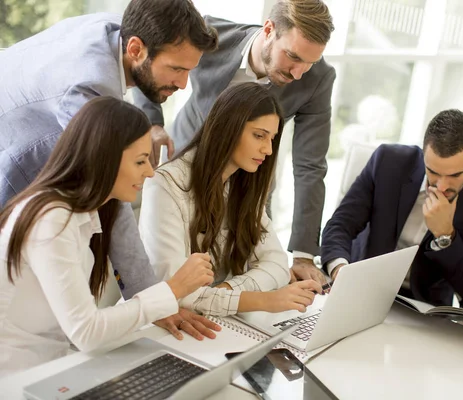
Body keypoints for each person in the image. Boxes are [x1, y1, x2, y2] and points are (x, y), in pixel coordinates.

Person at [0, 0, 220, 340]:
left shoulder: (120, 31)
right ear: (136, 49)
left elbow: (145, 77)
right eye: (177, 69)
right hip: (12, 164)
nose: (184, 84)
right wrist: (157, 297)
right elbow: (113, 187)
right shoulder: (90, 86)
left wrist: (147, 127)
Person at [0, 97, 216, 376]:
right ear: (104, 158)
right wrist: (173, 290)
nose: (150, 172)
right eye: (140, 161)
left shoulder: (82, 213)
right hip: (14, 379)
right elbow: (86, 331)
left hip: (52, 366)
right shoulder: (51, 218)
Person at [133, 0, 336, 285]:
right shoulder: (211, 35)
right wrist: (152, 123)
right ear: (269, 30)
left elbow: (310, 165)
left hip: (247, 185)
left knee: (245, 269)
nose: (298, 73)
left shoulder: (318, 79)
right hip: (184, 165)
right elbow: (149, 63)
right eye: (292, 56)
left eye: (309, 63)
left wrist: (303, 254)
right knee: (173, 273)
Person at [139, 83, 323, 317]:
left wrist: (227, 291)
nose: (267, 150)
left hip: (212, 318)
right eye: (259, 136)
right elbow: (176, 292)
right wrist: (263, 300)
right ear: (227, 128)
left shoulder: (244, 184)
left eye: (272, 139)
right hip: (160, 324)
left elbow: (277, 264)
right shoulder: (165, 185)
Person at [321, 109, 463, 307]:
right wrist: (340, 271)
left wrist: (445, 236)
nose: (440, 186)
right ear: (424, 153)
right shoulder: (388, 161)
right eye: (433, 171)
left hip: (423, 306)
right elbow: (339, 226)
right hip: (362, 287)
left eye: (455, 175)